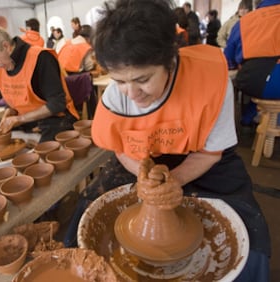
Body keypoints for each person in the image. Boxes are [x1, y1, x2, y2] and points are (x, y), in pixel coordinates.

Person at [65, 1, 271, 281]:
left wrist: (175, 180)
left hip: (203, 158)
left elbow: (212, 153)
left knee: (252, 237)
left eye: (143, 79)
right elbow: (119, 148)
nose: (132, 94)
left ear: (171, 60)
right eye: (120, 81)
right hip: (141, 160)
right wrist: (143, 175)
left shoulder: (211, 78)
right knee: (81, 222)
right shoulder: (117, 96)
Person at [0, 27, 79, 142]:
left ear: (6, 46)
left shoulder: (40, 58)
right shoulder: (1, 70)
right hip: (25, 119)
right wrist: (8, 114)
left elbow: (57, 104)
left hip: (55, 118)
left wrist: (20, 119)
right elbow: (13, 101)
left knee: (41, 153)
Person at [224, 0, 280, 127]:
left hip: (256, 81)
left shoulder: (244, 22)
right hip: (270, 78)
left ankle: (248, 121)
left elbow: (228, 59)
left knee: (259, 84)